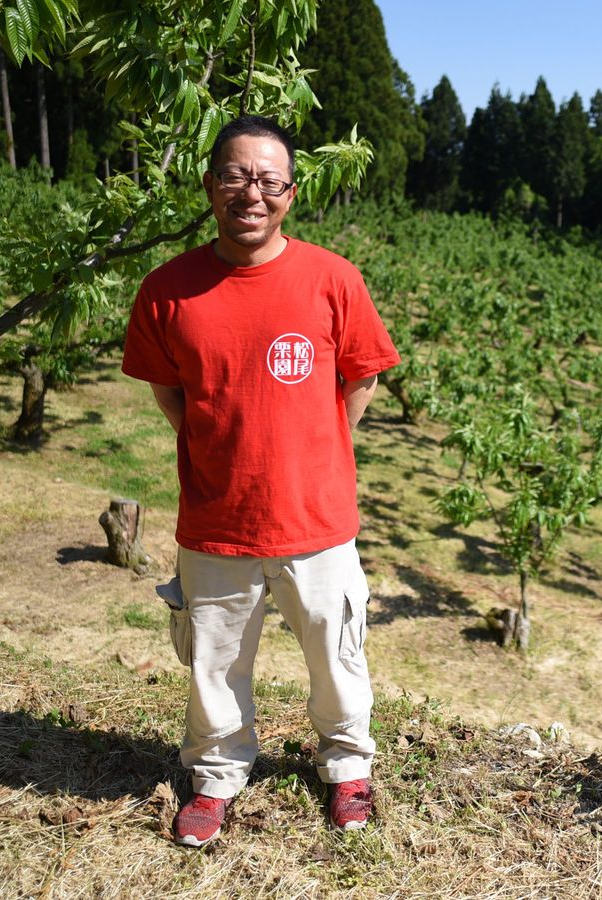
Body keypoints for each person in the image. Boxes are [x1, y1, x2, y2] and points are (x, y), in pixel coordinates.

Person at [121, 114, 400, 847]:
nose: (253, 192)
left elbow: (359, 378)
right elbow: (170, 393)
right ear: (211, 185)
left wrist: (315, 448)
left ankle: (345, 769)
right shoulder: (167, 290)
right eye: (238, 176)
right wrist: (222, 448)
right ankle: (215, 775)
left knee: (337, 657)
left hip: (317, 520)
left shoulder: (333, 278)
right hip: (216, 520)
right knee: (213, 664)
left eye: (269, 180)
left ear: (291, 192)